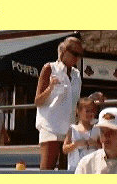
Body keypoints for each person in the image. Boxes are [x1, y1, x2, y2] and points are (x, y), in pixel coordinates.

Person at [35, 36, 84, 170]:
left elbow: (76, 102)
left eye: (80, 55)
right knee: (47, 172)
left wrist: (92, 98)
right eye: (75, 53)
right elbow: (38, 101)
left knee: (67, 171)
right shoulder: (49, 68)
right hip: (50, 127)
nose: (77, 58)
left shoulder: (77, 75)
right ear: (63, 51)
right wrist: (50, 87)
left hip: (69, 130)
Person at [63, 97, 101, 171]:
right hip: (75, 168)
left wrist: (95, 144)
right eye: (87, 111)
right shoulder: (72, 129)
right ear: (78, 111)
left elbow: (103, 148)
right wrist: (75, 144)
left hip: (93, 168)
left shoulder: (97, 128)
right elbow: (65, 149)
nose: (90, 113)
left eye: (92, 111)